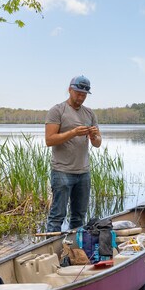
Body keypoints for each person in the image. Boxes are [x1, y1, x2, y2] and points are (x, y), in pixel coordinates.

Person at [45, 75, 102, 232]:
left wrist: (93, 136)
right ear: (70, 90)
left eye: (84, 94)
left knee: (79, 217)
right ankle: (50, 251)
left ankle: (76, 249)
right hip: (62, 172)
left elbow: (97, 144)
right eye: (78, 93)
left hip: (83, 172)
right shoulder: (57, 111)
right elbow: (49, 140)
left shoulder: (90, 114)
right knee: (57, 215)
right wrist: (74, 132)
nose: (81, 97)